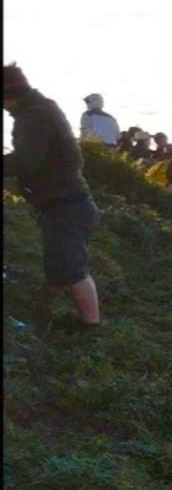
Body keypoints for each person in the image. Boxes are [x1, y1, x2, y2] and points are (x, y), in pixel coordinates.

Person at [2, 64, 106, 329]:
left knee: (73, 270)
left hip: (65, 205)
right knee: (58, 267)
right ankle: (40, 312)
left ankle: (91, 327)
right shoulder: (41, 108)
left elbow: (27, 162)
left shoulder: (33, 117)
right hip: (68, 202)